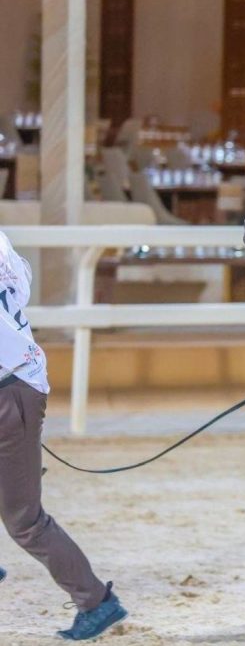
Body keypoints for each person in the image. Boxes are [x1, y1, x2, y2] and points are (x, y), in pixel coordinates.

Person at [0, 231, 128, 641]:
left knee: (26, 522)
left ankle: (96, 602)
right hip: (20, 380)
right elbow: (23, 277)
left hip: (10, 392)